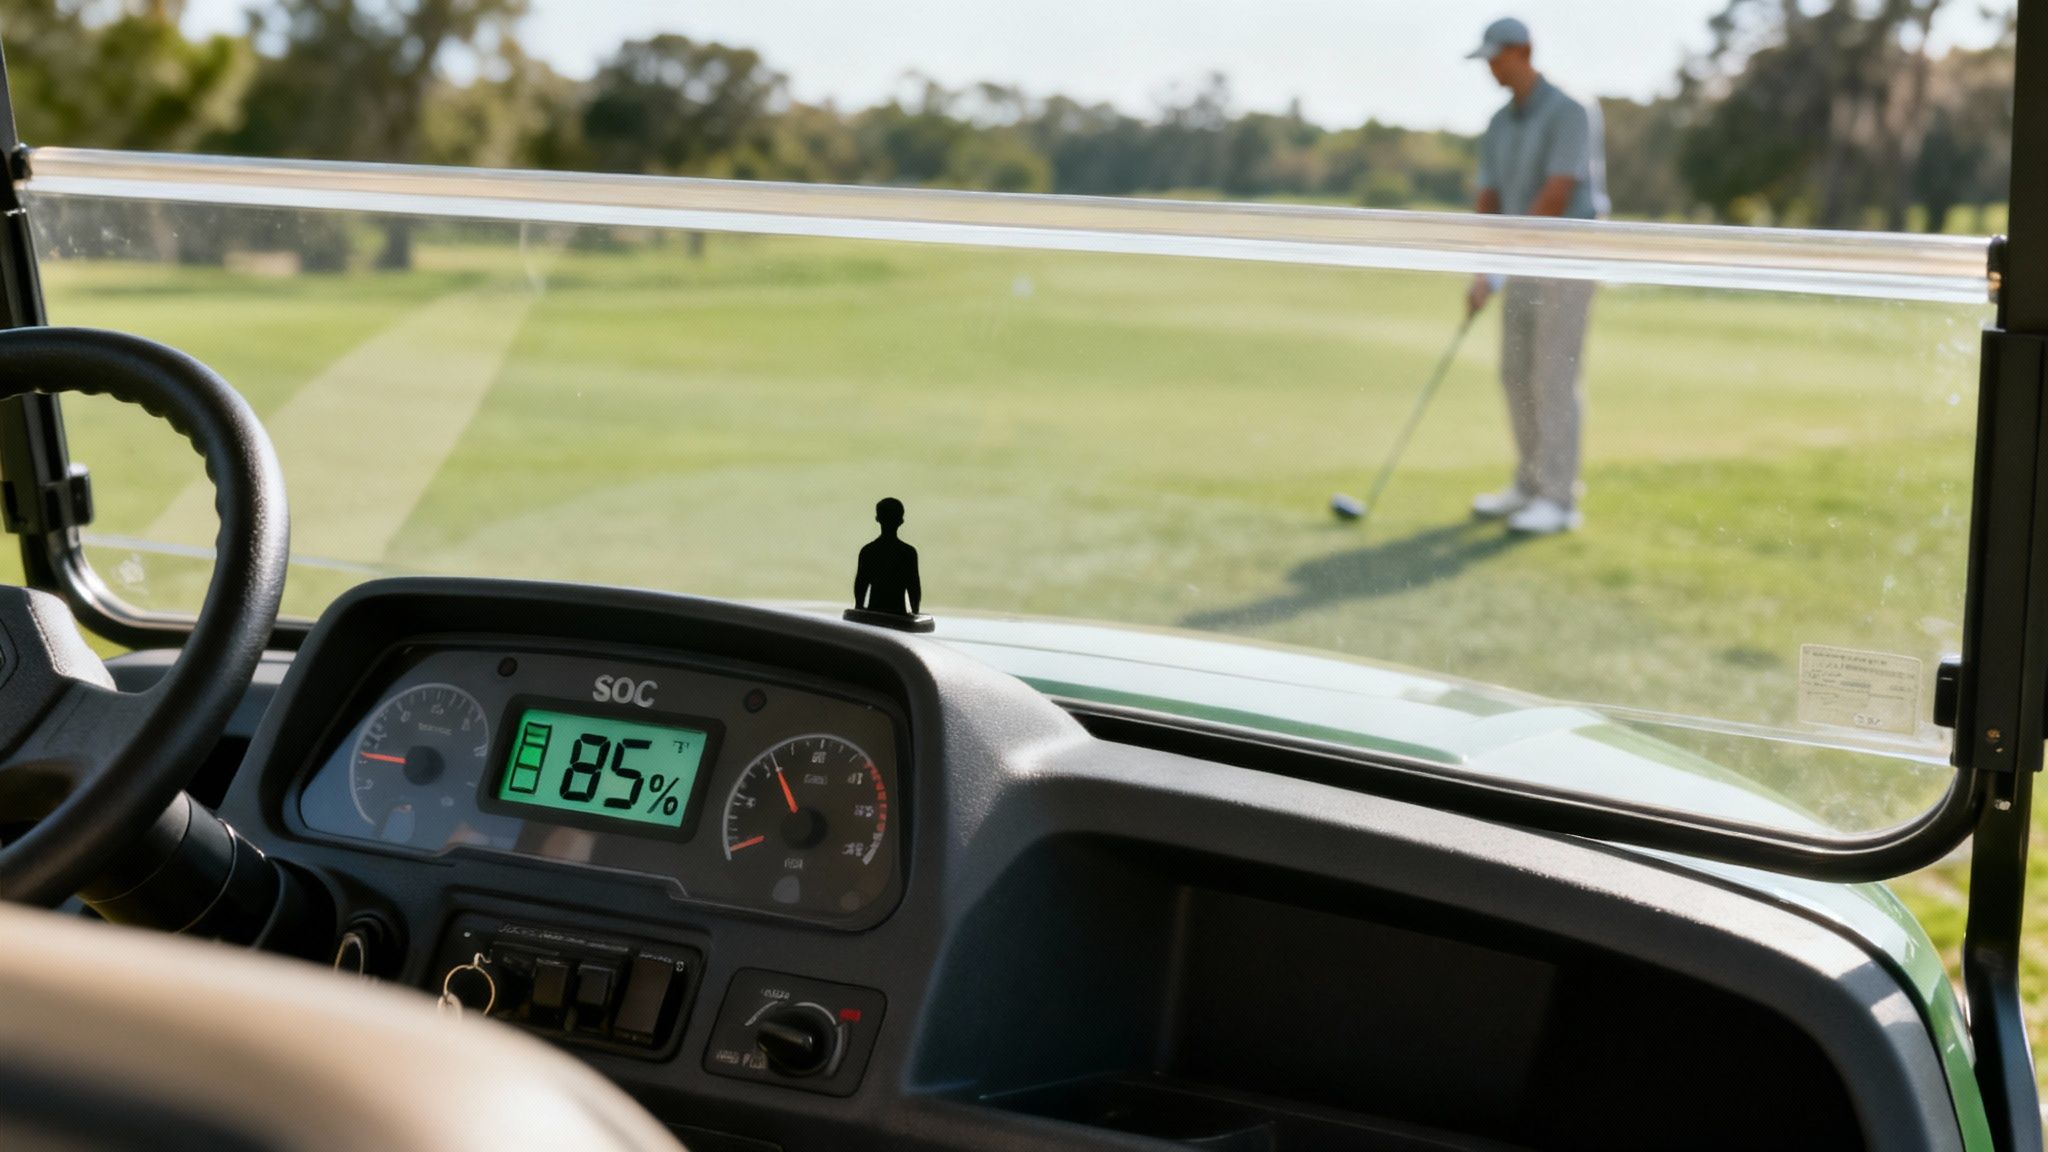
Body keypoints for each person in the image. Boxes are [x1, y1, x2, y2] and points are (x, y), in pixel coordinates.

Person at [1463, 17, 1608, 535]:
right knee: (1515, 371)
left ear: (1523, 51)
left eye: (1497, 58)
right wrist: (1485, 267)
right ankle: (1528, 483)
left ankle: (1559, 497)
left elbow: (1555, 194)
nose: (1491, 69)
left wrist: (1504, 259)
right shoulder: (1499, 123)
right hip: (1517, 259)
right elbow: (1489, 199)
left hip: (1566, 258)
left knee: (1553, 375)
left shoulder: (1571, 110)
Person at [853, 497, 922, 616]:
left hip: (873, 616)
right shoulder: (908, 553)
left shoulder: (868, 551)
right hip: (899, 615)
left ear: (877, 519)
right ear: (901, 520)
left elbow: (860, 586)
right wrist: (915, 612)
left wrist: (859, 608)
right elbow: (914, 588)